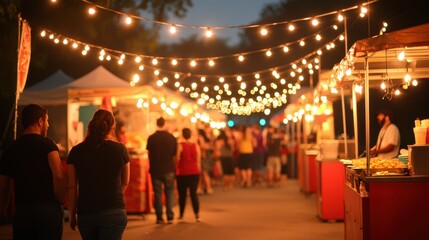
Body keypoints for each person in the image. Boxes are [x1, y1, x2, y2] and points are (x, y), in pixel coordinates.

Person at [0, 103, 66, 239]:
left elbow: (3, 185)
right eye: (47, 121)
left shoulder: (10, 149)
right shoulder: (49, 145)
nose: (48, 125)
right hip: (47, 209)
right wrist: (60, 199)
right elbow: (58, 176)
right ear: (40, 121)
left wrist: (3, 208)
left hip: (23, 211)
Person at [67, 109, 130, 240]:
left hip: (86, 212)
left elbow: (72, 186)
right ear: (112, 127)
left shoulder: (76, 151)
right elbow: (125, 181)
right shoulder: (120, 149)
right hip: (114, 210)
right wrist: (114, 195)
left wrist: (72, 215)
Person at [146, 117, 177, 224]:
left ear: (156, 124)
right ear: (164, 124)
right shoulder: (172, 138)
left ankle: (159, 217)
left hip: (155, 169)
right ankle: (170, 216)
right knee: (169, 192)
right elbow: (174, 155)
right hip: (169, 169)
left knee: (158, 193)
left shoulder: (151, 138)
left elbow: (149, 153)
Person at [176, 128, 201, 222]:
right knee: (193, 193)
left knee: (182, 194)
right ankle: (197, 215)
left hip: (183, 172)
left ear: (182, 135)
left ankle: (181, 215)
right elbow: (198, 160)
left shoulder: (180, 145)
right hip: (194, 171)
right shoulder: (196, 145)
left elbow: (178, 158)